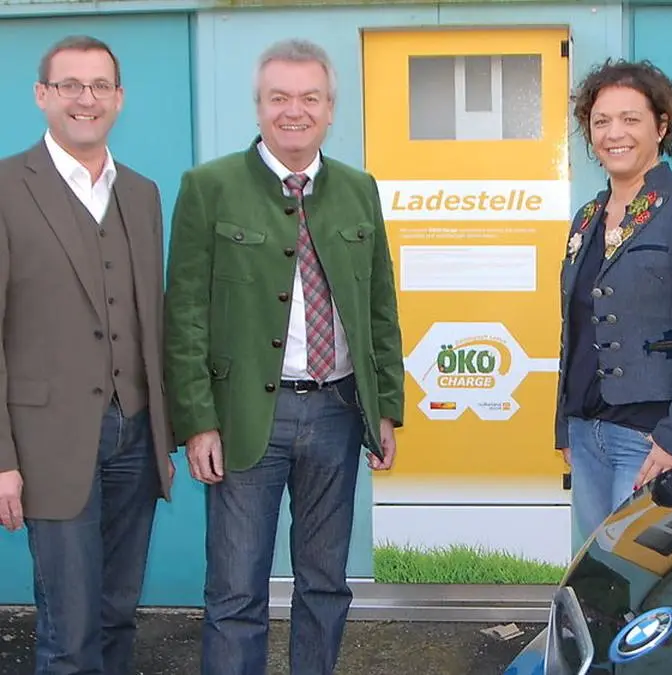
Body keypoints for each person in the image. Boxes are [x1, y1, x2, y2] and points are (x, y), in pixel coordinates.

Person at [162, 38, 405, 674]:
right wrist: (197, 421)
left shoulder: (359, 189)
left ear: (331, 110)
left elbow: (380, 307)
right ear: (259, 106)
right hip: (245, 421)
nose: (293, 111)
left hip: (337, 413)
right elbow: (183, 314)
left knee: (326, 584)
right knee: (236, 591)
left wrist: (385, 409)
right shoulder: (207, 186)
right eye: (279, 98)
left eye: (309, 98)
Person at [0, 35, 176, 674]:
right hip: (48, 443)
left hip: (134, 438)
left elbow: (151, 318)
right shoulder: (6, 187)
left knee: (117, 616)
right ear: (43, 96)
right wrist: (2, 461)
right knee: (69, 632)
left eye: (100, 85)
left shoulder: (143, 194)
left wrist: (166, 434)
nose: (86, 98)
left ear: (119, 98)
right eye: (70, 85)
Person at [555, 58, 672, 548]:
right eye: (601, 121)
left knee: (640, 576)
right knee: (601, 575)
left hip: (650, 439)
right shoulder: (587, 216)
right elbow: (574, 327)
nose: (614, 133)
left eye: (630, 119)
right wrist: (565, 426)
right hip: (587, 433)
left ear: (661, 126)